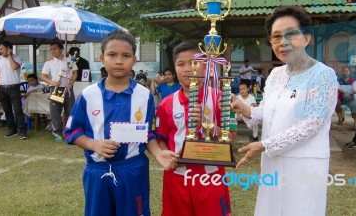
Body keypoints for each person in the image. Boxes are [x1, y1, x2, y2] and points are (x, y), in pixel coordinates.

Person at [231, 6, 337, 216]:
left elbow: (311, 125)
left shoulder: (323, 75)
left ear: (307, 37)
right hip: (272, 160)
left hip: (304, 164)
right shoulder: (275, 75)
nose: (283, 42)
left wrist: (265, 145)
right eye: (276, 36)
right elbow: (267, 112)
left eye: (291, 34)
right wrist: (244, 109)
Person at [64, 30, 178, 216]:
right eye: (112, 55)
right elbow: (72, 131)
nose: (119, 61)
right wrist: (94, 144)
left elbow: (147, 133)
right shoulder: (88, 94)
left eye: (125, 56)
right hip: (97, 171)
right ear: (102, 58)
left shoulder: (144, 95)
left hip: (133, 169)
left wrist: (158, 153)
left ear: (134, 59)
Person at [155, 40, 232, 216]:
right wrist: (167, 156)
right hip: (177, 176)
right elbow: (161, 140)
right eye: (180, 64)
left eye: (194, 62)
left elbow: (231, 139)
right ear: (175, 69)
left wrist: (207, 126)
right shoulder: (166, 104)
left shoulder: (222, 98)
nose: (187, 69)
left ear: (205, 66)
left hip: (209, 177)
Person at [41, 40, 77, 142]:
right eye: (51, 49)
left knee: (70, 110)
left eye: (55, 49)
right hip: (56, 89)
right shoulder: (49, 63)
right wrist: (51, 82)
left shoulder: (70, 61)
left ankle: (70, 132)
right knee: (55, 111)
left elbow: (74, 73)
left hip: (68, 88)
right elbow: (43, 76)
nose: (53, 51)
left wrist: (71, 82)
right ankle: (57, 133)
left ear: (61, 49)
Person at [0, 41, 28, 139]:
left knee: (18, 110)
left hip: (13, 87)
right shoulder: (0, 60)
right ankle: (12, 129)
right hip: (2, 88)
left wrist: (10, 55)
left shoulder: (16, 58)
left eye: (1, 49)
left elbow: (15, 67)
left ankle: (22, 131)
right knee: (7, 110)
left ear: (8, 49)